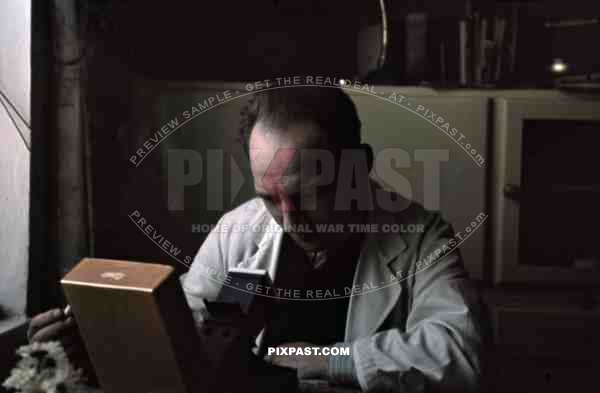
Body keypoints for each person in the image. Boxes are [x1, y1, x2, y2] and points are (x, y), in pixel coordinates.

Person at [28, 83, 484, 392]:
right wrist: (91, 344)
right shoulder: (237, 230)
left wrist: (326, 359)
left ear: (359, 166)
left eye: (310, 195)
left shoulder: (421, 238)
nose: (288, 220)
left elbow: (458, 354)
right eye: (270, 197)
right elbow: (180, 334)